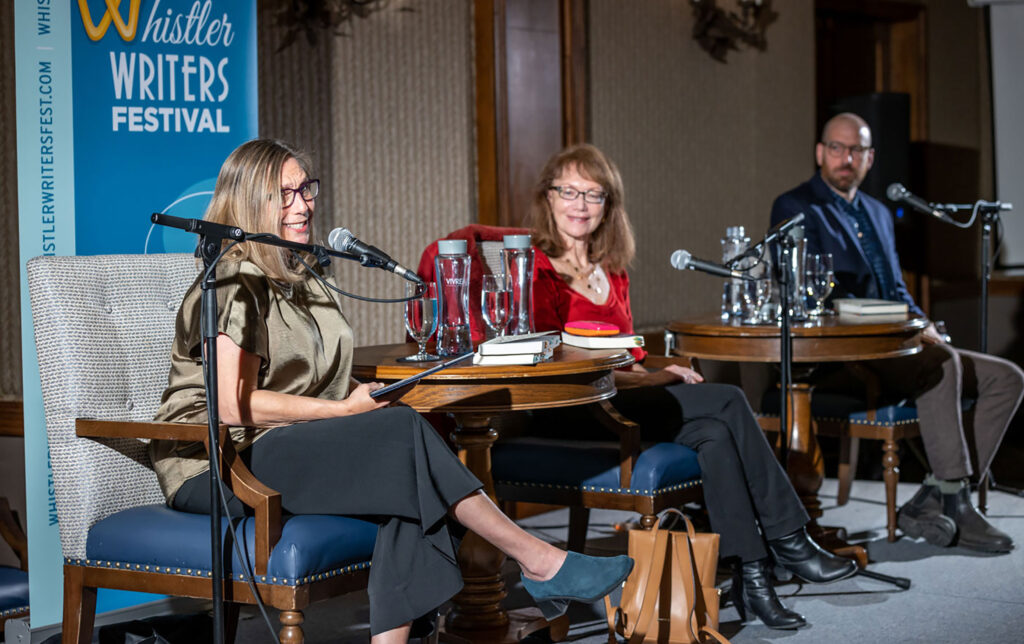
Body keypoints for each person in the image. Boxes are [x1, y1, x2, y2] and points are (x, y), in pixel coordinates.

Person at [148, 138, 634, 644]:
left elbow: (313, 375)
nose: (303, 205)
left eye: (306, 189)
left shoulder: (304, 275)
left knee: (407, 482)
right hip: (221, 461)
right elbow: (233, 404)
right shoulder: (232, 281)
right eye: (284, 194)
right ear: (249, 202)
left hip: (287, 443)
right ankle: (540, 559)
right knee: (404, 439)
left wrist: (365, 395)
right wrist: (341, 412)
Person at [528, 144, 858, 631]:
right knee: (727, 398)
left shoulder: (611, 270)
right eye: (569, 192)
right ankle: (791, 540)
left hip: (626, 396)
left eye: (593, 195)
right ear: (548, 198)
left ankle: (754, 578)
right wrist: (662, 377)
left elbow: (631, 353)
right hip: (574, 403)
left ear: (609, 206)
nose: (580, 205)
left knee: (717, 435)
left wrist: (659, 369)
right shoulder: (536, 269)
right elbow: (560, 365)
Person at [771, 112, 1024, 553]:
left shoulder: (879, 212)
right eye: (836, 148)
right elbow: (806, 293)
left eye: (856, 151)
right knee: (942, 366)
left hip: (902, 344)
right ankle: (955, 504)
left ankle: (935, 496)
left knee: (1007, 377)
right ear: (820, 153)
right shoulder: (796, 207)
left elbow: (897, 290)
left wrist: (924, 324)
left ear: (870, 158)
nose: (845, 158)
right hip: (848, 354)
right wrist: (900, 328)